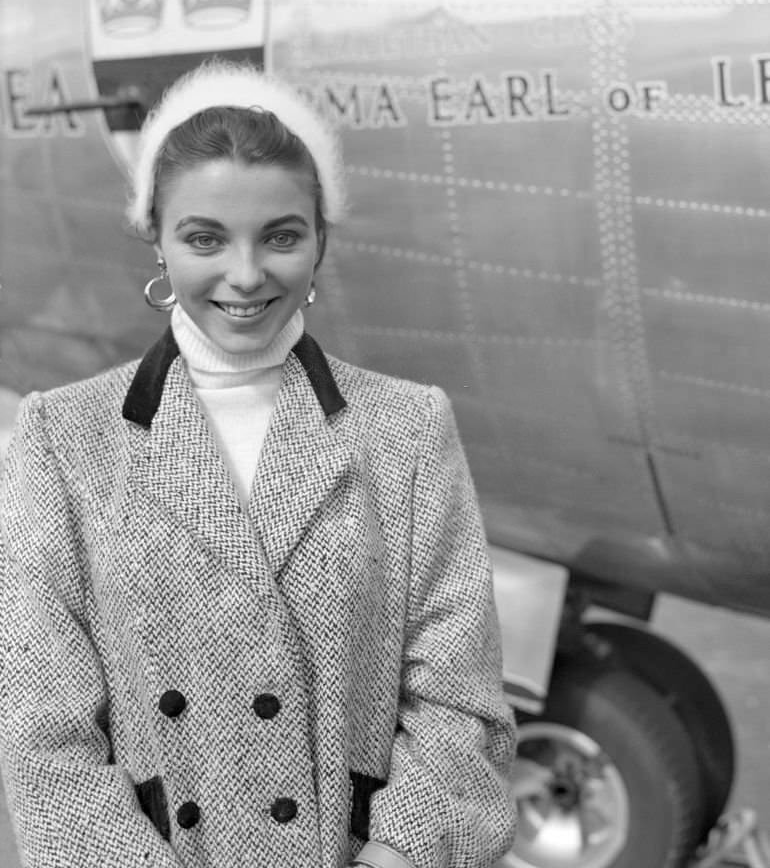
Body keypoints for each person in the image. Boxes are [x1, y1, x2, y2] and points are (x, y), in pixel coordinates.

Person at [0, 60, 517, 868]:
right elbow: (42, 736)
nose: (245, 276)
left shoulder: (409, 428)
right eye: (205, 237)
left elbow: (459, 701)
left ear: (321, 241)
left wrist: (401, 854)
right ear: (157, 241)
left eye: (281, 235)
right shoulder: (62, 439)